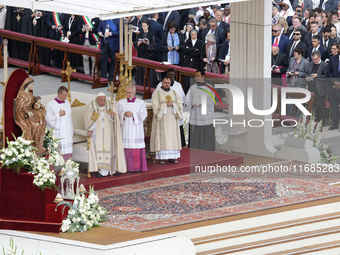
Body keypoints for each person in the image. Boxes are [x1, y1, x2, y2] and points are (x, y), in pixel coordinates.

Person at [85, 92, 126, 177]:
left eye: (104, 100)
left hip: (108, 131)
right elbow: (88, 120)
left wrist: (112, 115)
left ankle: (112, 170)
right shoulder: (92, 106)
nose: (102, 102)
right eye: (100, 100)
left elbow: (115, 120)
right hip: (97, 132)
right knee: (99, 150)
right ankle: (101, 171)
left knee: (111, 149)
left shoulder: (109, 105)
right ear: (97, 99)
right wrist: (90, 129)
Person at [150, 76, 183, 164]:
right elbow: (155, 107)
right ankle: (162, 158)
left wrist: (173, 105)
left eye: (168, 83)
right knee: (163, 137)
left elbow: (180, 104)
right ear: (162, 83)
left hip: (172, 120)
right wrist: (165, 106)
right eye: (165, 83)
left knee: (172, 137)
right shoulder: (157, 94)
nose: (167, 84)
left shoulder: (174, 93)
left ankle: (172, 157)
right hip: (162, 121)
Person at [117, 85, 148, 172]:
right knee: (125, 146)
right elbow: (117, 113)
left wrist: (133, 114)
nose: (128, 94)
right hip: (125, 129)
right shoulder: (121, 102)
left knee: (135, 148)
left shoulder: (140, 103)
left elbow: (144, 114)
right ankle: (124, 167)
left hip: (136, 130)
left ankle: (136, 168)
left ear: (134, 92)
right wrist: (123, 114)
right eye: (127, 92)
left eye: (130, 92)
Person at [153, 68, 186, 147]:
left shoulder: (178, 86)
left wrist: (174, 105)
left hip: (173, 115)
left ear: (175, 76)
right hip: (163, 117)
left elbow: (182, 100)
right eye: (169, 75)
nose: (171, 77)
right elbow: (154, 100)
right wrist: (164, 105)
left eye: (172, 75)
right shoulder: (159, 86)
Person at [14, 78, 46, 154]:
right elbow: (20, 106)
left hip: (32, 112)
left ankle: (39, 145)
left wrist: (40, 106)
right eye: (32, 85)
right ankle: (33, 144)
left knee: (43, 122)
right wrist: (27, 112)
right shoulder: (22, 94)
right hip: (24, 114)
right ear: (27, 85)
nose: (33, 86)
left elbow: (35, 102)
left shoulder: (30, 94)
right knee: (35, 125)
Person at [186, 69, 215, 151]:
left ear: (203, 76)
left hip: (205, 114)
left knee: (205, 130)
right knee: (196, 130)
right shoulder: (192, 88)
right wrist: (192, 103)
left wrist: (203, 103)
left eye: (198, 75)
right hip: (196, 113)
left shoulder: (210, 88)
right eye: (195, 76)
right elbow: (187, 100)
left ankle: (207, 147)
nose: (196, 77)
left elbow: (211, 100)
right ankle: (195, 147)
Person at [45, 86, 73, 160]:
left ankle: (68, 167)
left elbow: (69, 118)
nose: (66, 97)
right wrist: (58, 115)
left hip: (67, 132)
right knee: (58, 152)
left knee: (67, 152)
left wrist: (70, 130)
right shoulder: (51, 104)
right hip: (58, 132)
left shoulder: (67, 103)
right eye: (64, 95)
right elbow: (47, 118)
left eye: (66, 95)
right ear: (59, 94)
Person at [305, 50, 328, 124]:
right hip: (311, 86)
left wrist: (317, 76)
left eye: (315, 59)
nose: (314, 61)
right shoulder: (311, 64)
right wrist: (307, 77)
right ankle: (312, 120)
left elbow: (327, 77)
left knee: (321, 105)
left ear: (320, 57)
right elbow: (307, 73)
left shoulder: (324, 65)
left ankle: (322, 121)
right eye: (313, 59)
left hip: (320, 88)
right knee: (312, 104)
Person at [98, 18, 120, 82]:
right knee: (103, 60)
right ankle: (103, 78)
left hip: (114, 44)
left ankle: (111, 79)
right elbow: (98, 28)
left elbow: (121, 31)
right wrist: (99, 32)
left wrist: (111, 33)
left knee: (113, 62)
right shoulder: (103, 19)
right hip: (105, 44)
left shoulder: (118, 20)